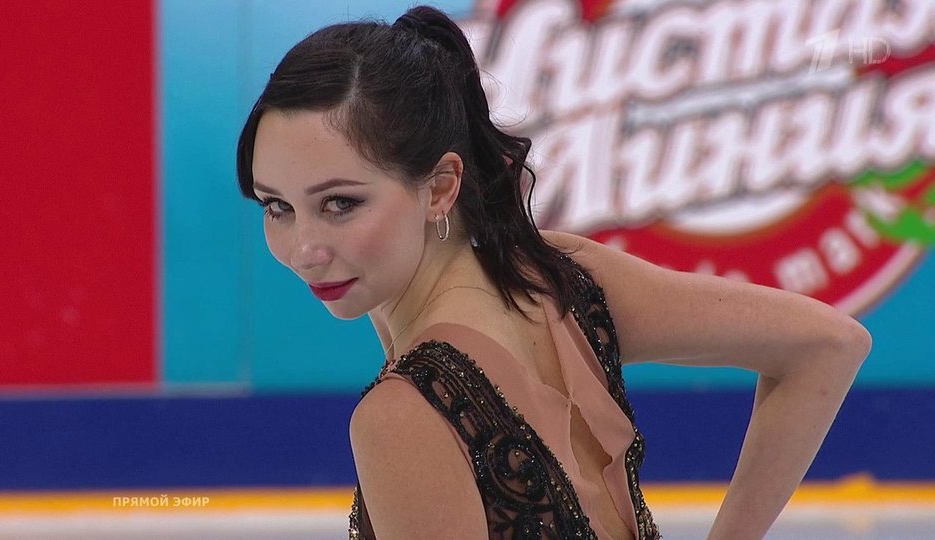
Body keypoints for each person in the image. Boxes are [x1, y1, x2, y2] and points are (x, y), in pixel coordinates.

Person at [235, 5, 871, 539]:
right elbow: (828, 343)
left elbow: (829, 346)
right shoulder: (565, 276)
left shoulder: (403, 415)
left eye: (340, 204)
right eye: (277, 207)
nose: (304, 249)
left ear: (441, 187)